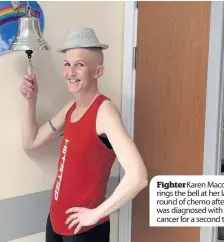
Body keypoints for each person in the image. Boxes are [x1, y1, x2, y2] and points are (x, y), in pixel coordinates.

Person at [19, 27, 148, 242]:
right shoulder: (71, 108)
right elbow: (30, 142)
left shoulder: (104, 111)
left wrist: (97, 213)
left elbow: (139, 177)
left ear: (98, 71)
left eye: (79, 65)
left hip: (84, 232)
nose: (70, 73)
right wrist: (30, 102)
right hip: (56, 221)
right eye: (67, 64)